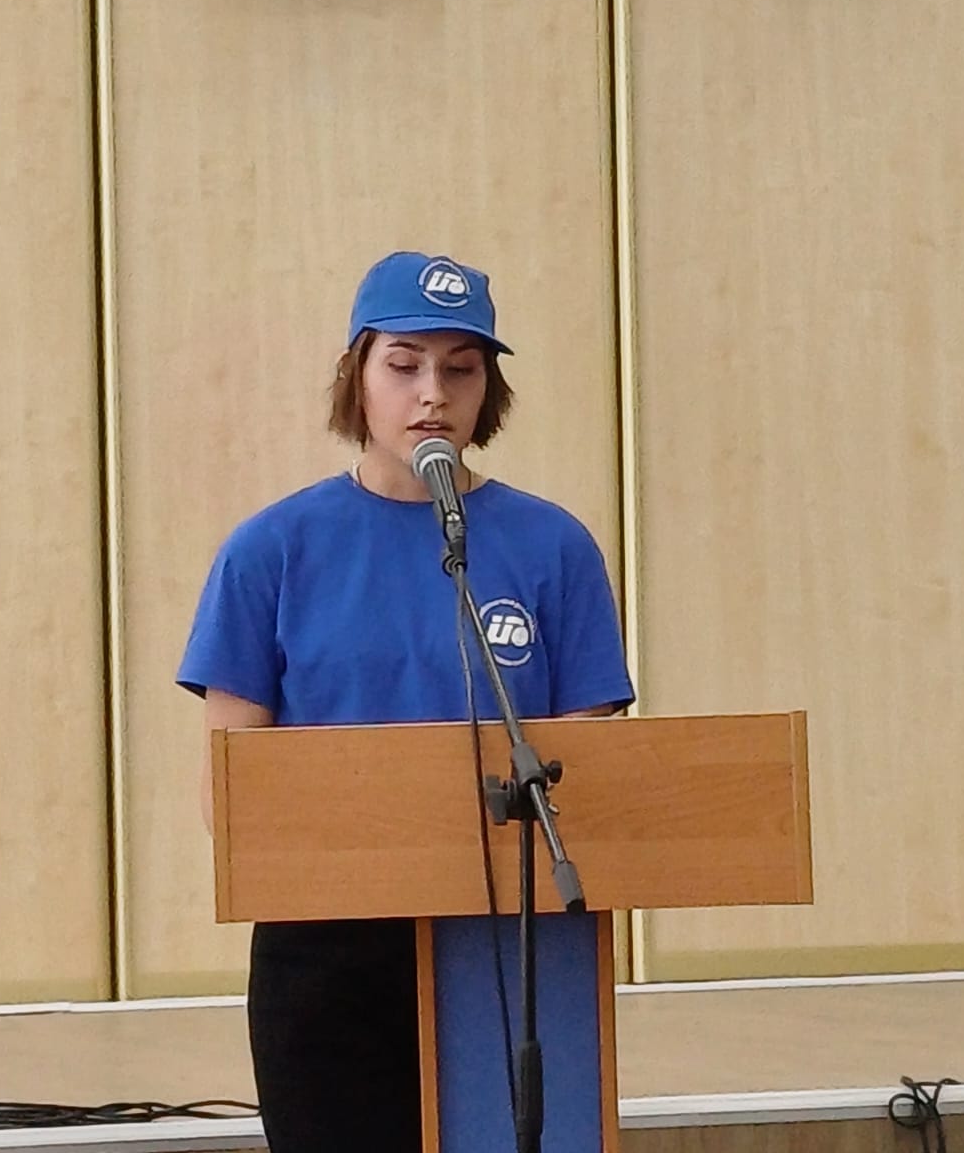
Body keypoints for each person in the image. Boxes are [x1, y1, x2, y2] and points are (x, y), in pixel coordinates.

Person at [176, 250, 635, 1153]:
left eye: (461, 369)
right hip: (328, 949)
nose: (432, 394)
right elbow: (233, 787)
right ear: (358, 376)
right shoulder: (270, 551)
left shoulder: (553, 548)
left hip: (511, 944)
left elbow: (590, 760)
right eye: (404, 364)